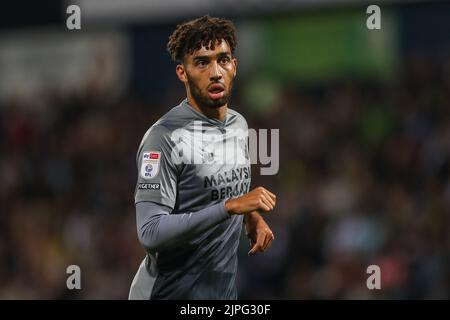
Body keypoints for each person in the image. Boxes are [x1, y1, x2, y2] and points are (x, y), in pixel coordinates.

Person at [129, 15, 276, 300]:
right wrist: (230, 206)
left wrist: (250, 215)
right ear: (182, 73)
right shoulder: (162, 138)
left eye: (222, 59)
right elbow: (150, 231)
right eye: (201, 62)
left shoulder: (239, 125)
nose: (215, 72)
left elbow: (221, 186)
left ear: (234, 66)